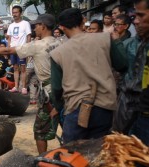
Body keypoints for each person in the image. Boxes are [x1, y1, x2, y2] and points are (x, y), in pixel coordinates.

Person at [0, 14, 61, 154]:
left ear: (43, 26)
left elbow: (8, 50)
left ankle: (42, 159)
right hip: (63, 89)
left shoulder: (38, 45)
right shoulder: (59, 42)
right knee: (67, 126)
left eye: (36, 26)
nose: (34, 29)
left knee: (39, 131)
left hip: (50, 93)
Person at [50, 8, 128, 144]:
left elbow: (56, 89)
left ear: (62, 27)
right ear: (83, 22)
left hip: (75, 108)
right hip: (104, 107)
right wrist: (117, 41)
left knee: (72, 155)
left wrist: (58, 106)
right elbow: (122, 65)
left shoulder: (57, 53)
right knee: (100, 154)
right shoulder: (105, 39)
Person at [111, 0, 149, 167]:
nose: (136, 20)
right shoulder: (139, 43)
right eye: (134, 16)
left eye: (141, 16)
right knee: (141, 165)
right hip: (138, 113)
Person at [6, 5, 31, 94]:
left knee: (23, 69)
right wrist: (8, 48)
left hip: (22, 49)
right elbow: (9, 38)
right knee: (15, 68)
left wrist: (27, 48)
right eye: (13, 13)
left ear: (20, 13)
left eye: (16, 12)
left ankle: (24, 87)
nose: (14, 14)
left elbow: (28, 36)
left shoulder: (25, 23)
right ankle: (16, 86)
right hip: (13, 49)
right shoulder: (11, 25)